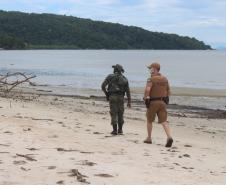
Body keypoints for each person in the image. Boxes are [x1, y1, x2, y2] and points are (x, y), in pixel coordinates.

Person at [143, 62, 173, 147]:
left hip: (153, 102)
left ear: (154, 69)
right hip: (162, 102)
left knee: (149, 120)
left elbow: (148, 90)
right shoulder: (165, 79)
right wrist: (166, 99)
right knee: (164, 121)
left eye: (150, 68)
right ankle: (169, 137)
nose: (149, 70)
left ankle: (149, 138)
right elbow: (168, 91)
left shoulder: (151, 79)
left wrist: (146, 99)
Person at [101, 64, 131, 135]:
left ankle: (114, 130)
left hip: (112, 96)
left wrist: (107, 94)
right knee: (120, 113)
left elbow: (103, 86)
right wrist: (129, 101)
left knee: (113, 113)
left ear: (115, 70)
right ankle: (120, 130)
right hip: (121, 97)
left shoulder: (110, 76)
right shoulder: (125, 79)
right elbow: (128, 92)